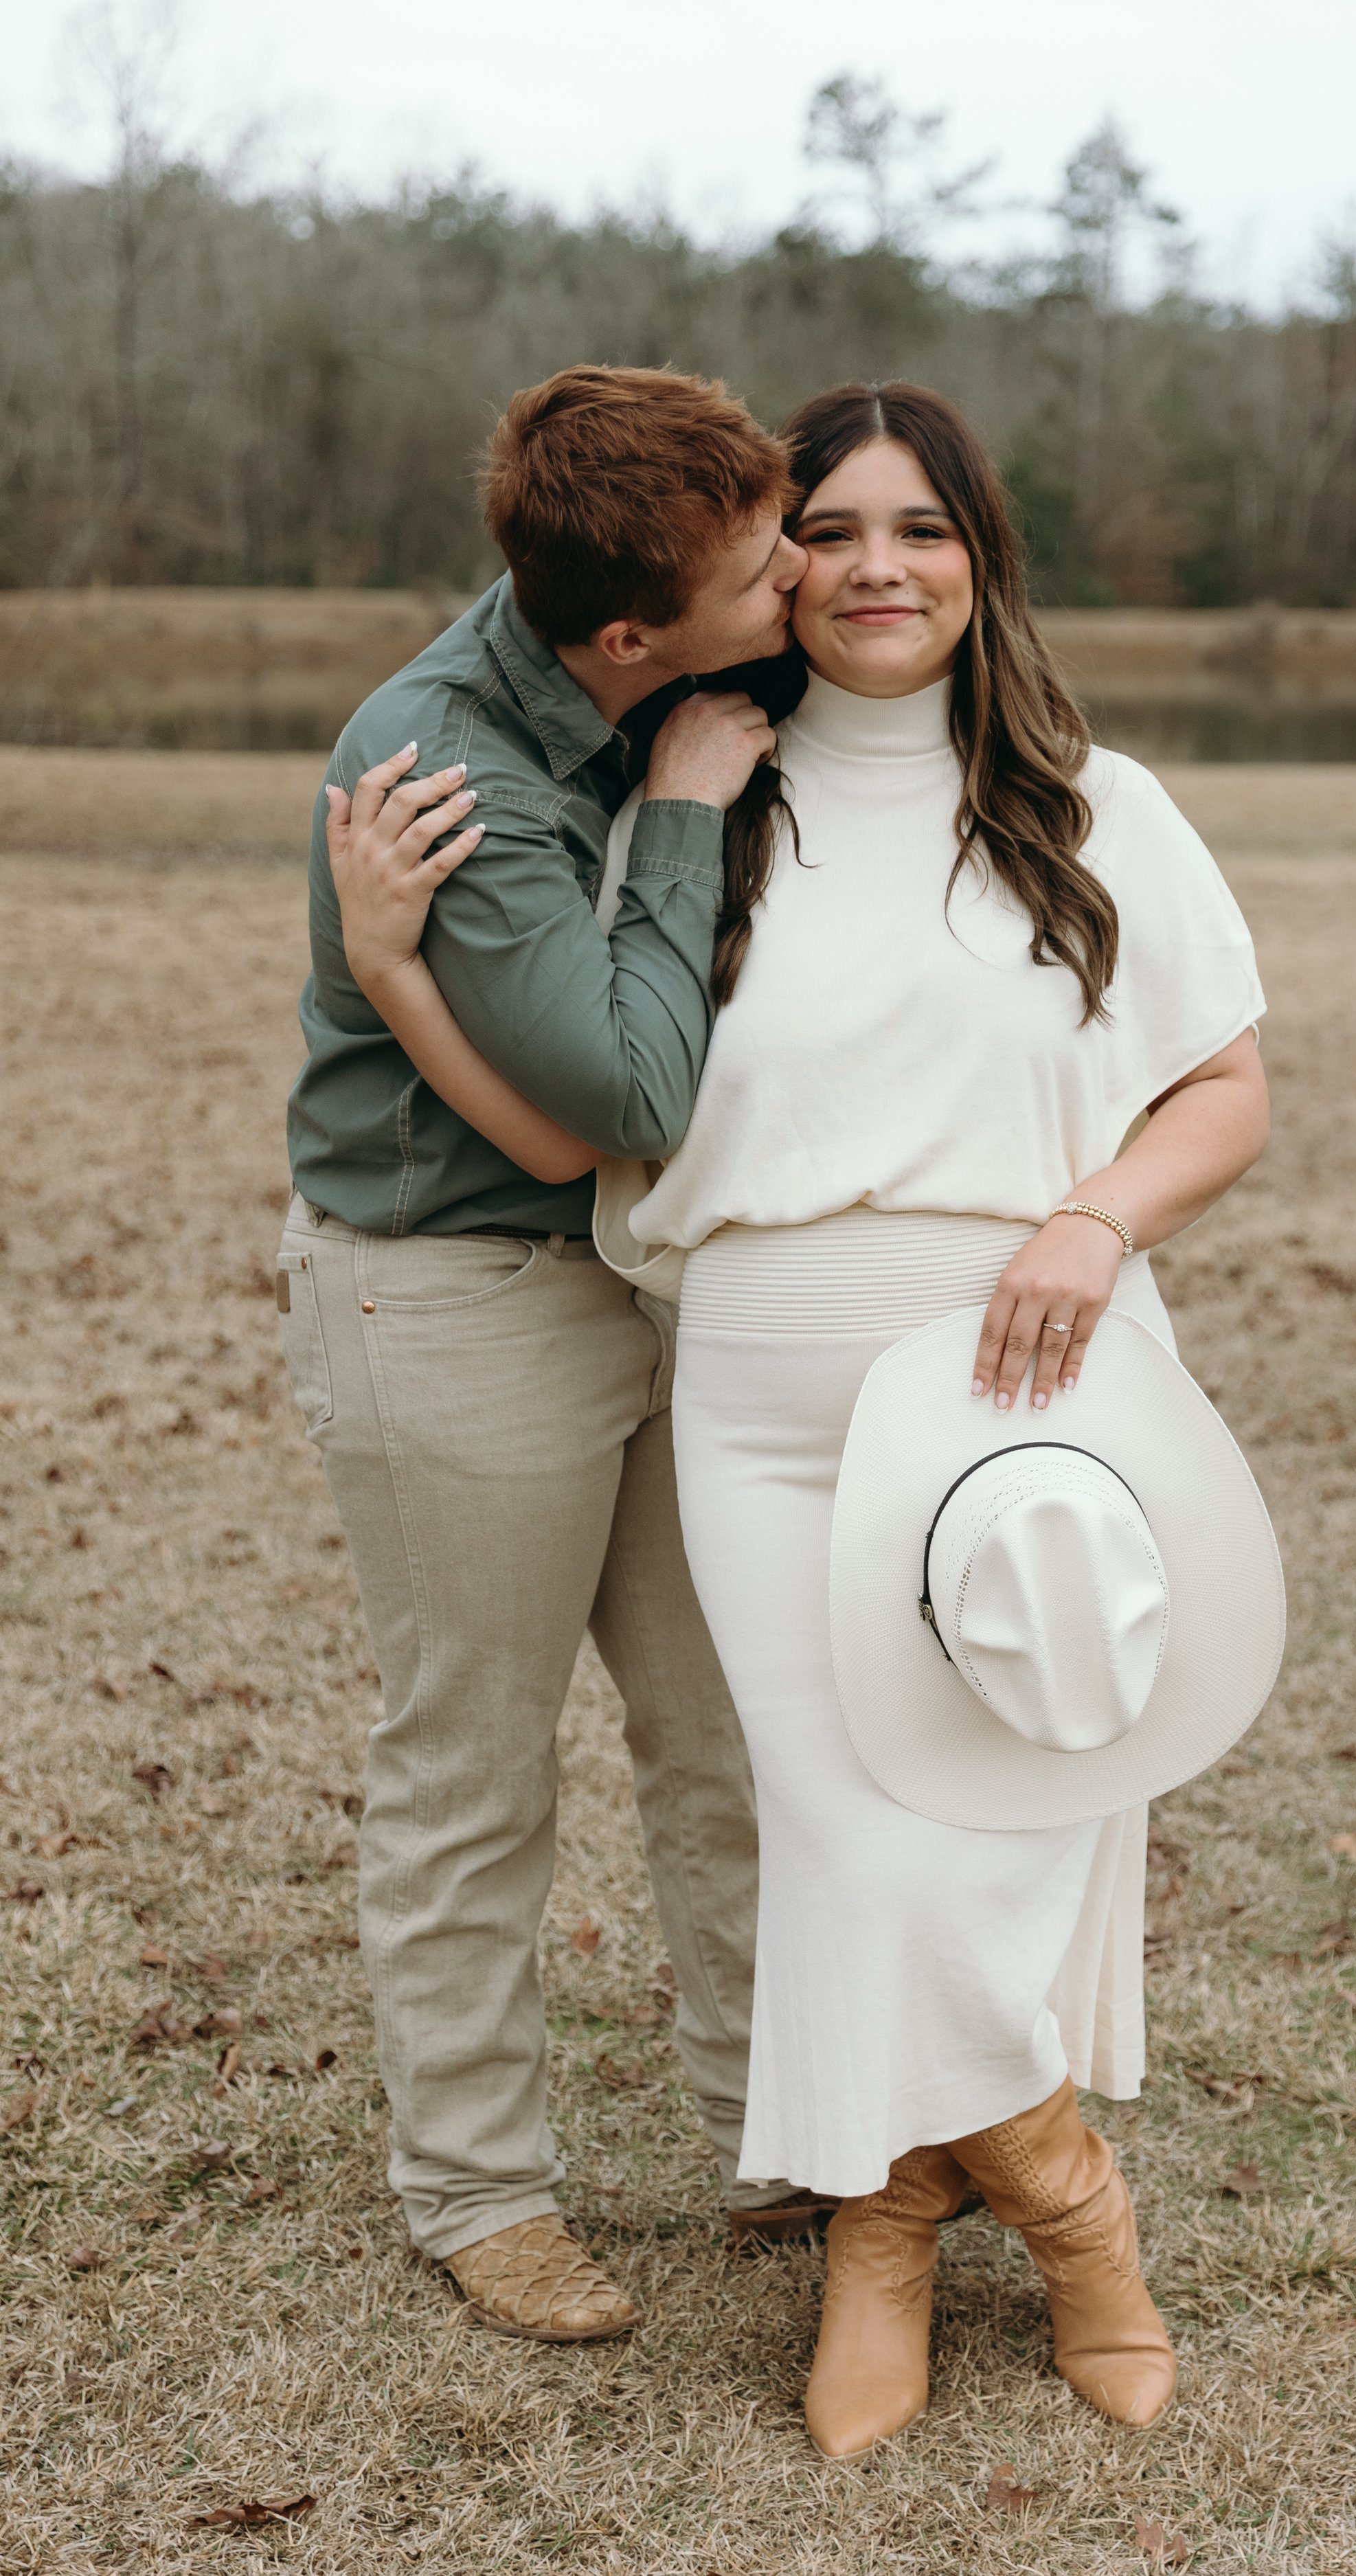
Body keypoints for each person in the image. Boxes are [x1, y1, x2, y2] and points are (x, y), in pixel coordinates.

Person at [328, 381, 1270, 2449]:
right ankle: (1029, 2207)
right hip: (760, 1395)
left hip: (1030, 1383)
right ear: (768, 574)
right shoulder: (684, 801)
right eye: (825, 532)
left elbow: (1223, 1089)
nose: (868, 569)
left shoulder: (1097, 806)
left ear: (979, 556)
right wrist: (397, 973)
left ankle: (899, 2221)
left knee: (999, 1812)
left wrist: (1096, 1219)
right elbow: (599, 1122)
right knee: (839, 1822)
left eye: (917, 528)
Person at [277, 363, 826, 2350]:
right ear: (627, 637)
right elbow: (628, 1093)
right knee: (475, 1765)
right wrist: (677, 819)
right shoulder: (451, 783)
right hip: (455, 1295)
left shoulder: (680, 662)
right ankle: (478, 2192)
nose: (797, 581)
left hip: (651, 1285)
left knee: (730, 1724)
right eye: (762, 569)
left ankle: (788, 2137)